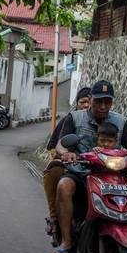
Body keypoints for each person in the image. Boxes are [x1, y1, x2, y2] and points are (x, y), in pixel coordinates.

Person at [52, 80, 127, 253]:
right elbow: (61, 145)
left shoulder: (120, 121)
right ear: (90, 99)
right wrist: (66, 154)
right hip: (81, 174)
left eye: (107, 102)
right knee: (64, 186)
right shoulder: (75, 118)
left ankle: (126, 244)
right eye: (99, 101)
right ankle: (67, 241)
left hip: (113, 179)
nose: (103, 106)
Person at [42, 86, 92, 238]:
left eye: (89, 102)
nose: (86, 106)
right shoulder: (69, 120)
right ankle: (54, 218)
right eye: (82, 102)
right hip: (70, 167)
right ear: (76, 104)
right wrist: (64, 156)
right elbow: (54, 148)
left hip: (96, 169)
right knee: (52, 171)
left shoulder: (105, 122)